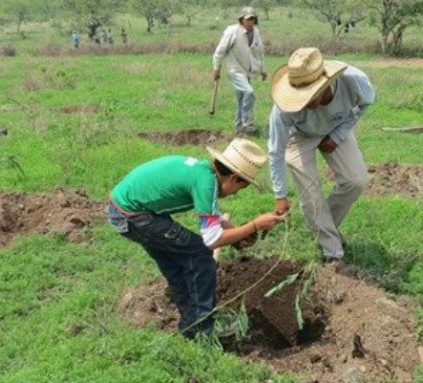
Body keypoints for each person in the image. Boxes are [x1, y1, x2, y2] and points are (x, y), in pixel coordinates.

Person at [107, 138, 284, 338]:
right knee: (200, 254)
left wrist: (239, 234)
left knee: (175, 264)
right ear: (233, 178)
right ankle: (203, 327)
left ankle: (191, 325)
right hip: (134, 215)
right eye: (240, 188)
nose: (235, 194)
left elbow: (213, 217)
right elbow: (213, 240)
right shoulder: (206, 183)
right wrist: (254, 225)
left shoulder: (204, 172)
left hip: (126, 209)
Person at [267, 47, 376, 263]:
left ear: (324, 83)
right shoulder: (283, 108)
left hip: (336, 127)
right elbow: (276, 150)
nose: (303, 102)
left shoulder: (353, 79)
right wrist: (280, 195)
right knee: (310, 196)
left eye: (308, 96)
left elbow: (366, 102)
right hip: (298, 136)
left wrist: (338, 135)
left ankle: (326, 228)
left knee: (356, 181)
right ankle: (333, 252)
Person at [212, 6, 267, 137]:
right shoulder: (232, 31)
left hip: (247, 72)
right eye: (248, 19)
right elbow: (219, 52)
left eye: (252, 19)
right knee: (249, 92)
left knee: (241, 99)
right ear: (241, 20)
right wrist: (216, 69)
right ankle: (247, 124)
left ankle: (238, 128)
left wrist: (263, 71)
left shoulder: (256, 33)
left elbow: (260, 53)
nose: (250, 22)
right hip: (235, 70)